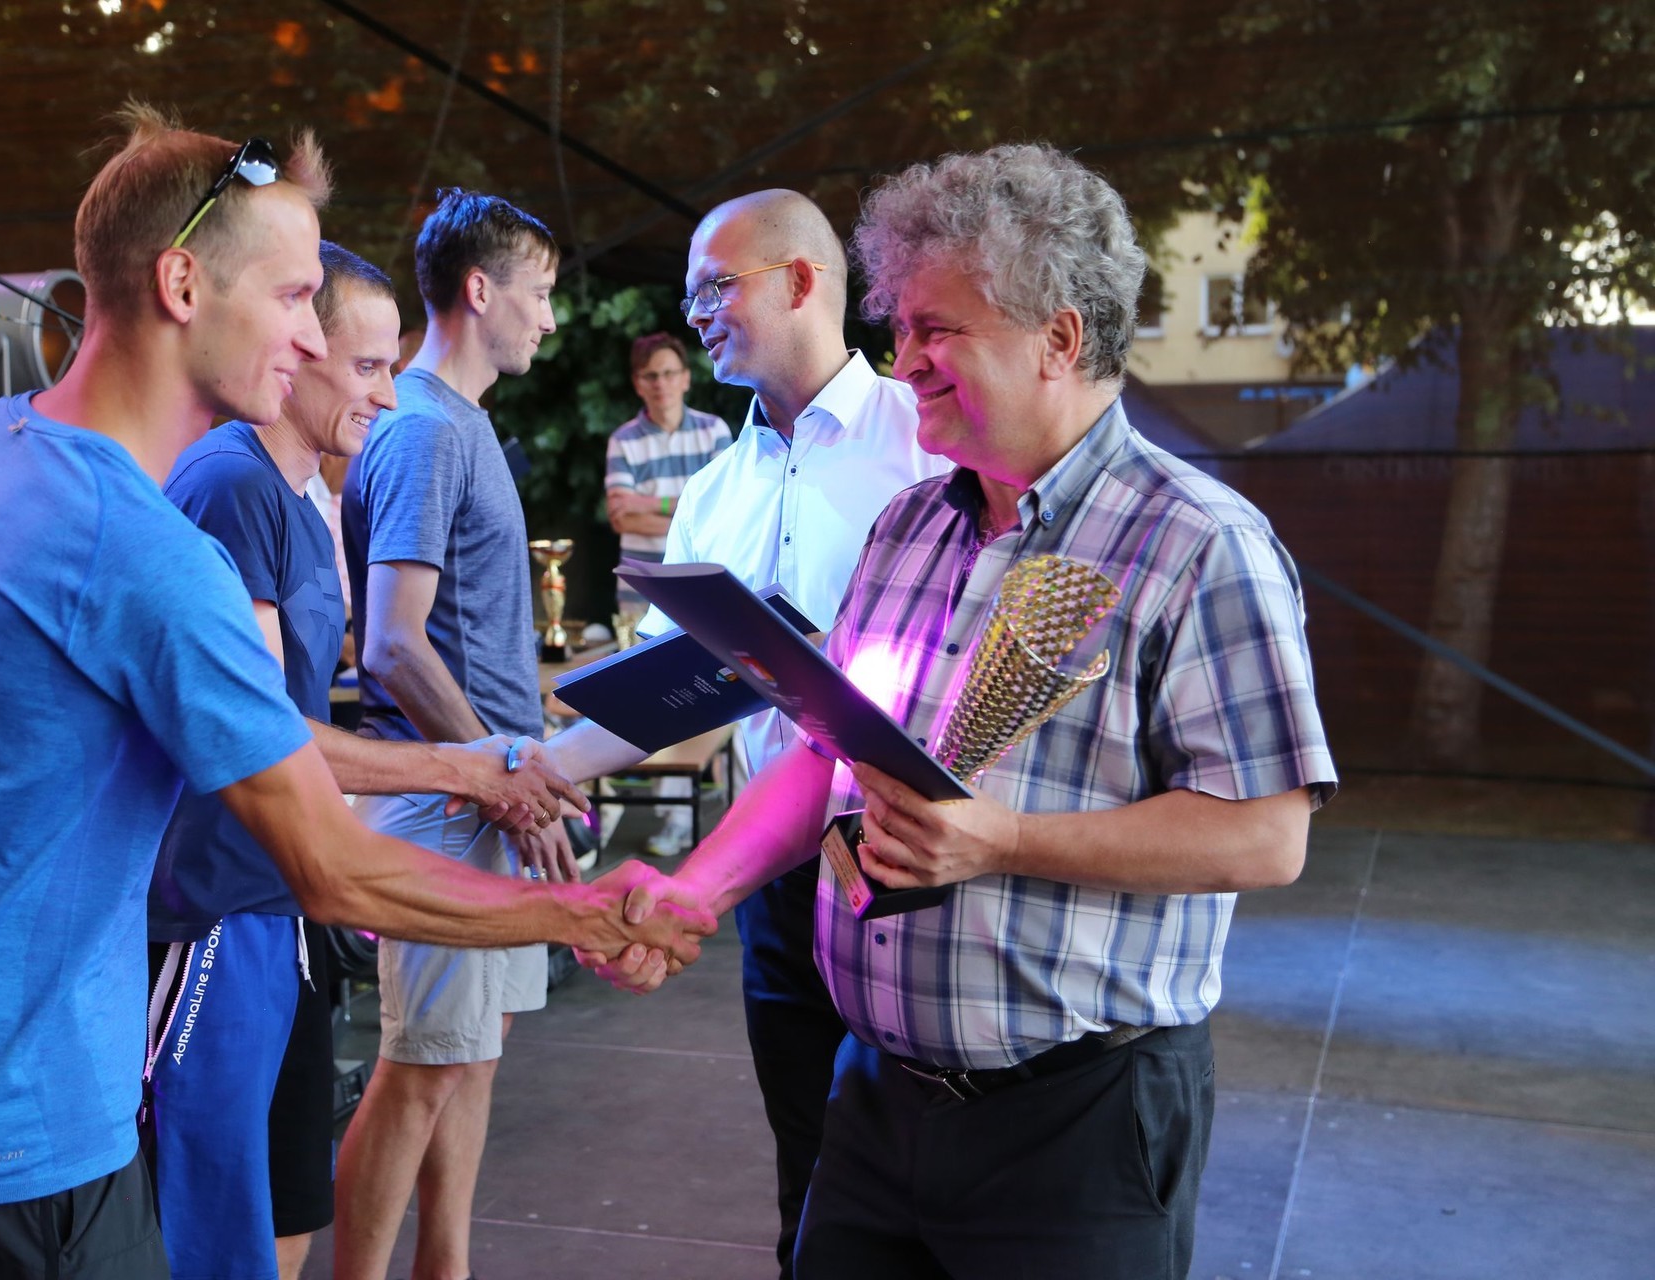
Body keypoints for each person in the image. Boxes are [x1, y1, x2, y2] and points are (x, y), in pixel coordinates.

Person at [0, 109, 712, 1279]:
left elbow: (236, 726)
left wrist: (456, 766)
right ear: (182, 283)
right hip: (17, 1133)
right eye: (294, 295)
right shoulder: (144, 550)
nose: (310, 333)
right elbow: (334, 868)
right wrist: (587, 911)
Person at [587, 143, 1338, 1279]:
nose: (903, 362)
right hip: (875, 1099)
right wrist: (698, 890)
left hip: (1078, 1118)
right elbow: (824, 758)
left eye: (936, 330)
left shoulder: (1198, 543)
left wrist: (1005, 839)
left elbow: (1267, 836)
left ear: (1059, 338)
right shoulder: (911, 526)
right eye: (901, 328)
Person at [545, 189, 951, 1279]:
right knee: (807, 1185)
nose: (696, 313)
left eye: (716, 286)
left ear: (803, 280)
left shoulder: (926, 444)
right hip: (774, 879)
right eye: (691, 294)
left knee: (935, 1195)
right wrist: (535, 767)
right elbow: (670, 689)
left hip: (919, 869)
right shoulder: (715, 487)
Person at [147, 243, 488, 1280]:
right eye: (370, 366)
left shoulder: (302, 494)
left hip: (277, 901)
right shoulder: (229, 482)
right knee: (216, 1225)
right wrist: (467, 768)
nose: (388, 394)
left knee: (287, 1202)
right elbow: (260, 734)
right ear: (298, 351)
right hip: (214, 910)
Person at [331, 188, 574, 1280]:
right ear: (480, 290)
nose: (550, 318)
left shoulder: (455, 423)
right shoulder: (426, 429)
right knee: (422, 1066)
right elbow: (391, 644)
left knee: (470, 1057)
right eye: (540, 292)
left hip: (480, 790)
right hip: (448, 802)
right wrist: (502, 768)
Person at [603, 330, 733, 855]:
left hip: (700, 588)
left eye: (669, 373)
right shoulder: (624, 439)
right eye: (651, 375)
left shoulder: (714, 430)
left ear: (685, 378)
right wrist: (685, 509)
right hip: (641, 590)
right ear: (639, 383)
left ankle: (696, 813)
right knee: (654, 697)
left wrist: (650, 504)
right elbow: (621, 516)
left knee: (703, 695)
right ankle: (662, 811)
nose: (661, 384)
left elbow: (722, 513)